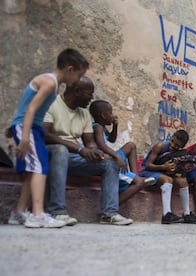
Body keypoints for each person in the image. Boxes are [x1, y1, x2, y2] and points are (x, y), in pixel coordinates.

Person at [7, 48, 89, 228]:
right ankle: (37, 214)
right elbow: (30, 109)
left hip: (31, 128)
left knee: (33, 170)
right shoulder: (50, 83)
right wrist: (25, 136)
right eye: (78, 76)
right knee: (39, 167)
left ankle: (19, 212)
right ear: (69, 69)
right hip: (27, 127)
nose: (77, 81)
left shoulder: (52, 83)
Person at [43, 76, 133, 226]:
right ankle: (58, 211)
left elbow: (90, 143)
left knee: (109, 162)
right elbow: (45, 135)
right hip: (52, 154)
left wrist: (95, 152)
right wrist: (80, 149)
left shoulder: (84, 114)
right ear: (77, 91)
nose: (91, 98)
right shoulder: (52, 104)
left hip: (74, 157)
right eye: (89, 93)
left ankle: (109, 214)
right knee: (60, 150)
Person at [89, 100, 155, 204]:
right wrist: (117, 157)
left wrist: (115, 126)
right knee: (140, 183)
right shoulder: (97, 127)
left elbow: (111, 139)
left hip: (110, 156)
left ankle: (134, 176)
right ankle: (113, 206)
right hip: (105, 160)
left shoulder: (102, 127)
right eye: (110, 112)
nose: (113, 115)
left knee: (131, 146)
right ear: (103, 115)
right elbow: (102, 145)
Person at [139, 130, 196, 224]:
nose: (173, 146)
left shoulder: (179, 153)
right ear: (172, 137)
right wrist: (163, 167)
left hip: (162, 171)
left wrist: (176, 170)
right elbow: (148, 165)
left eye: (177, 145)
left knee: (183, 181)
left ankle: (187, 214)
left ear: (182, 147)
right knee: (167, 180)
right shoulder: (160, 146)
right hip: (148, 171)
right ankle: (166, 214)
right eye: (172, 141)